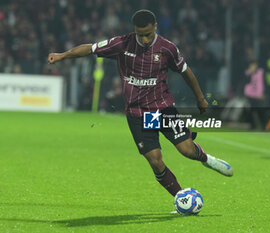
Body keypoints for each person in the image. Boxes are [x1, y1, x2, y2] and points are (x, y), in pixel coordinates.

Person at [48, 10, 233, 199]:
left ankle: (206, 159)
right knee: (155, 161)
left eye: (148, 34)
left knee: (186, 150)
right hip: (137, 114)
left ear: (155, 27)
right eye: (140, 34)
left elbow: (186, 72)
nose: (144, 39)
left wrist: (200, 98)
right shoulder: (122, 44)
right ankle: (181, 197)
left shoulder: (167, 48)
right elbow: (90, 48)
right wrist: (62, 55)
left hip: (163, 109)